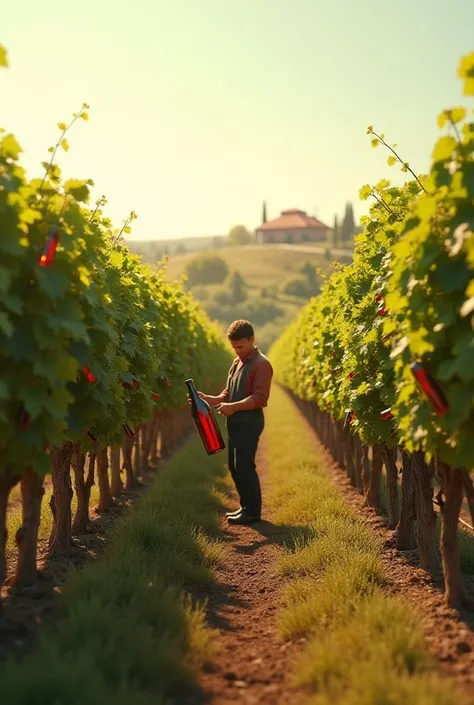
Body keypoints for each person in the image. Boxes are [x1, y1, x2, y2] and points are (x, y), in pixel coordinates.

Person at [194, 320, 273, 525]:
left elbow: (260, 398)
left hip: (249, 422)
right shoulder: (237, 362)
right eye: (234, 347)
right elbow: (228, 392)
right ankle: (245, 506)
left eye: (241, 346)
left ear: (252, 340)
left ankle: (253, 512)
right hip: (236, 421)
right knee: (234, 466)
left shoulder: (262, 364)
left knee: (245, 466)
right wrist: (211, 399)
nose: (237, 351)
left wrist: (233, 407)